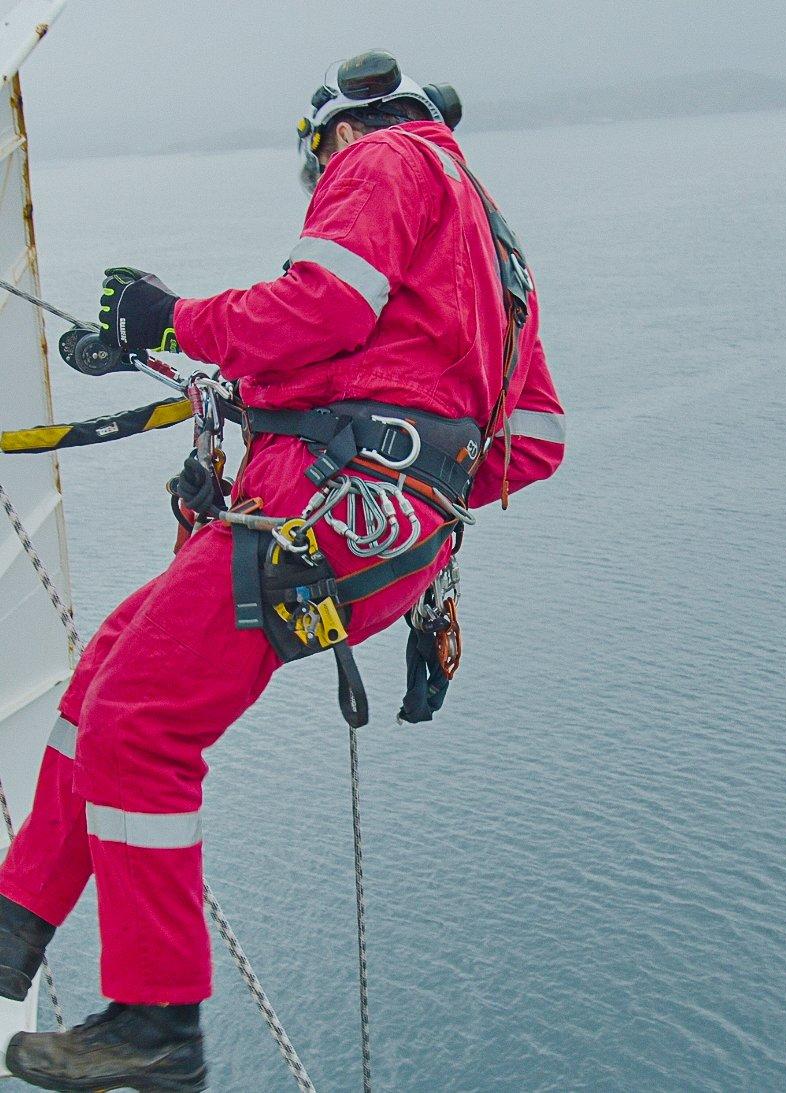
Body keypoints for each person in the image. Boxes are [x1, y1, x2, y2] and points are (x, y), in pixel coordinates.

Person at [0, 50, 565, 1092]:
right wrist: (401, 468)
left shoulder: (384, 158)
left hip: (329, 511)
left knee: (140, 721)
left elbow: (322, 308)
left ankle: (157, 1021)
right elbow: (529, 442)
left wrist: (169, 320)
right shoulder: (501, 264)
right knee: (103, 683)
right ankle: (15, 922)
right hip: (375, 536)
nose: (320, 191)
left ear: (331, 137)